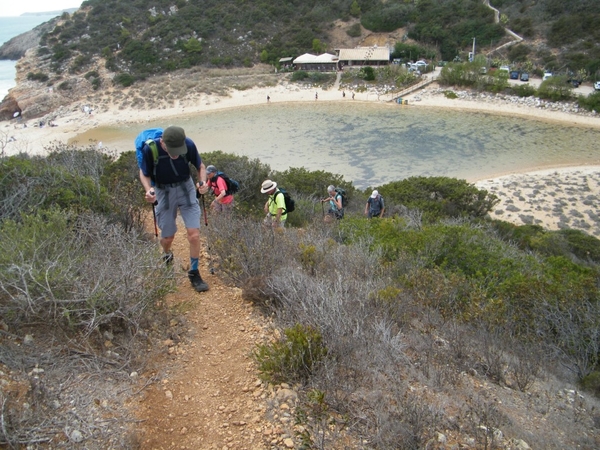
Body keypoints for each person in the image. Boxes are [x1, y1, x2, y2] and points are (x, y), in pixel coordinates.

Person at [138, 125, 210, 292]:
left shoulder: (188, 145)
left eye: (179, 149)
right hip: (163, 191)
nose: (176, 153)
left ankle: (194, 272)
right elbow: (144, 173)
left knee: (194, 234)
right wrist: (148, 189)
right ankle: (166, 253)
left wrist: (203, 182)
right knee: (168, 237)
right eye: (172, 149)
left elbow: (200, 166)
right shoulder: (151, 149)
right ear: (162, 142)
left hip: (186, 188)